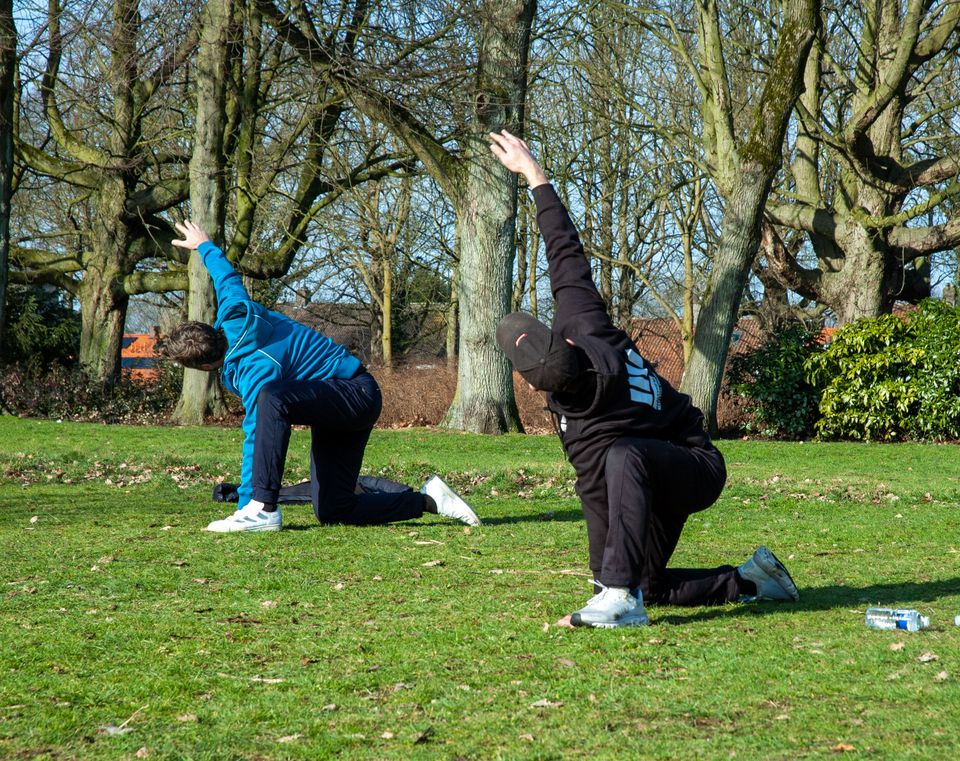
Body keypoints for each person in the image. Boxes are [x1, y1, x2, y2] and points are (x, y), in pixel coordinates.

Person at [488, 130, 798, 628]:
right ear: (562, 340)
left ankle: (623, 598)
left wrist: (609, 588)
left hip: (693, 463)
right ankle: (750, 581)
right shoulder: (584, 324)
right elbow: (564, 253)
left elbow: (596, 489)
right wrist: (534, 175)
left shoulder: (585, 430)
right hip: (654, 462)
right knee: (642, 581)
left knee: (622, 458)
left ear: (531, 386)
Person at [160, 220, 481, 533]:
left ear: (204, 368)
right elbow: (225, 278)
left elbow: (256, 434)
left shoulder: (256, 368)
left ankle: (262, 509)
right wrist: (204, 246)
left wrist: (247, 502)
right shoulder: (235, 310)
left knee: (271, 397)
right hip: (338, 403)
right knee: (333, 508)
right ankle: (430, 501)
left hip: (354, 393)